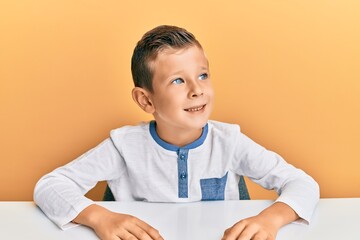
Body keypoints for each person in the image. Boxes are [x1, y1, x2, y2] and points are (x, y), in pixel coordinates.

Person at [34, 25, 319, 240]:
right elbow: (49, 187)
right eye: (178, 80)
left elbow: (303, 183)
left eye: (203, 75)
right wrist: (99, 217)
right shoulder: (124, 146)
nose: (197, 90)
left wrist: (272, 219)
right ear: (146, 100)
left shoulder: (229, 142)